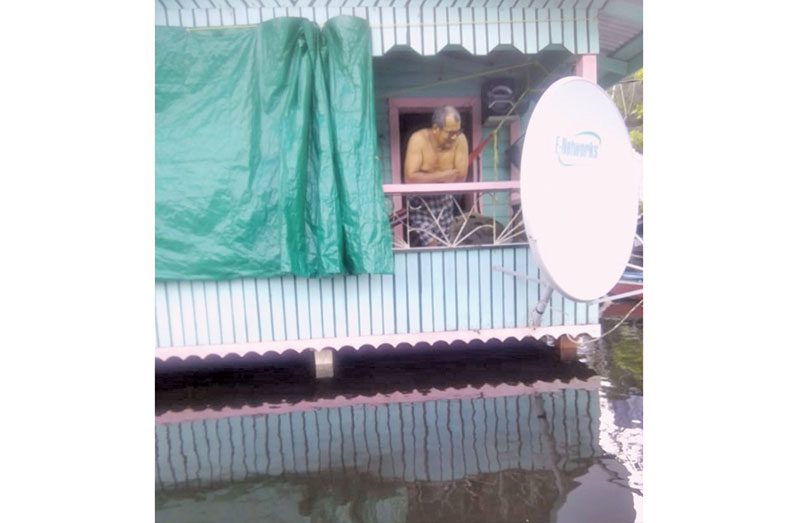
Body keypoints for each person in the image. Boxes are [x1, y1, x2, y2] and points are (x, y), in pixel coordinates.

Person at [403, 105, 469, 246]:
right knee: (430, 243)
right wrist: (444, 176)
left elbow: (460, 176)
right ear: (435, 129)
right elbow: (410, 178)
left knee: (445, 244)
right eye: (450, 132)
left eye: (458, 131)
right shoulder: (418, 139)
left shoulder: (460, 140)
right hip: (419, 202)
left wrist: (425, 177)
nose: (454, 137)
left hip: (445, 199)